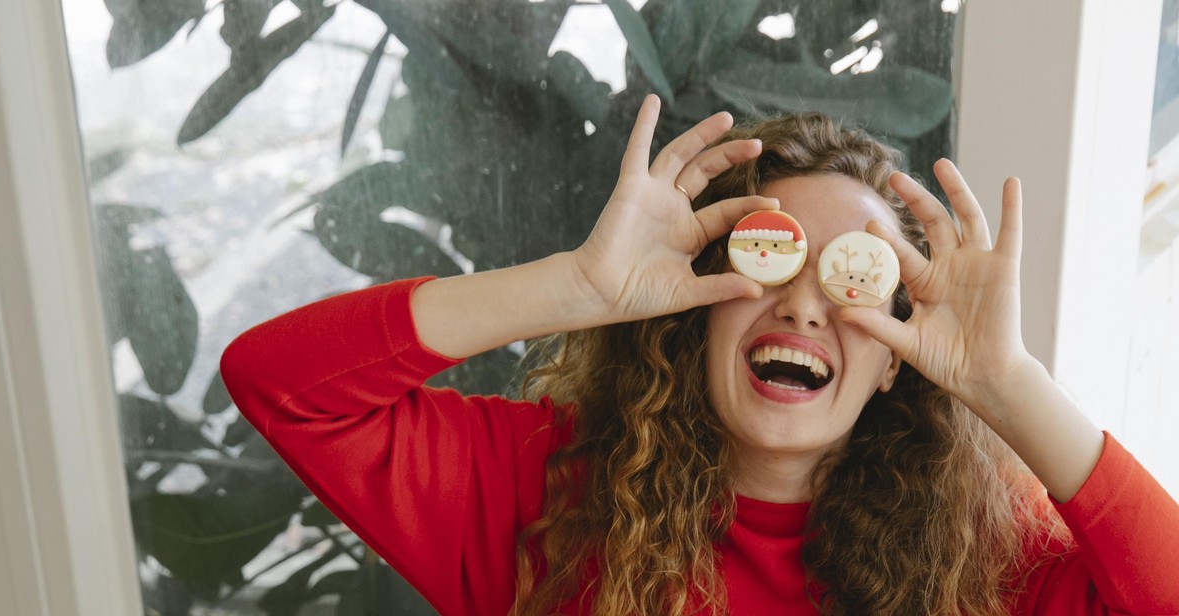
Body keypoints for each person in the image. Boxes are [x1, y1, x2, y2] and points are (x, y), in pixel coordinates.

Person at [220, 95, 1179, 615]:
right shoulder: (539, 493)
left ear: (897, 357)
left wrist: (1005, 384)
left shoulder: (991, 559)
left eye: (852, 283)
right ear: (702, 307)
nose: (804, 305)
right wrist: (578, 290)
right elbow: (282, 385)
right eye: (771, 261)